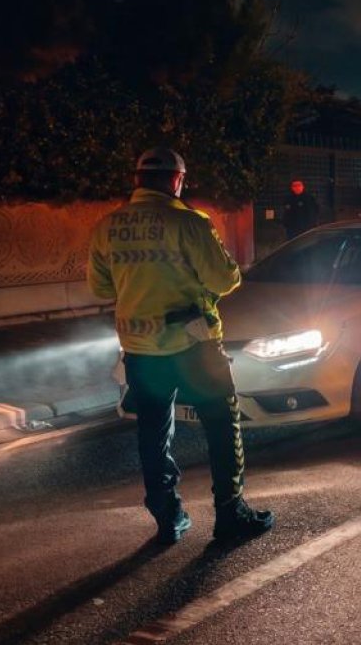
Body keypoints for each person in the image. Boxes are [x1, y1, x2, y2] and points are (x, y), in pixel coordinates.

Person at [88, 147, 274, 545]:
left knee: (153, 433)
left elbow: (100, 287)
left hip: (140, 350)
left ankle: (167, 517)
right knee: (223, 427)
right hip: (194, 347)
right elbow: (225, 280)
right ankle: (230, 513)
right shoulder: (189, 223)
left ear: (137, 180)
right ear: (176, 180)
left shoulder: (108, 226)